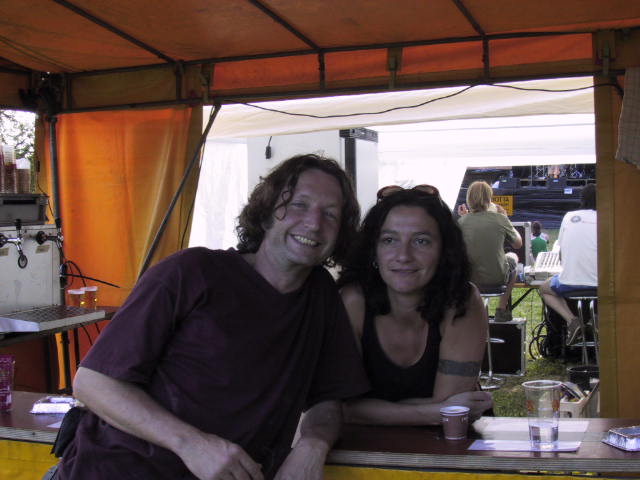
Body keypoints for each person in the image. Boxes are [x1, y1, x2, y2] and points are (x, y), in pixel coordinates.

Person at [51, 154, 370, 480]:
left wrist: (313, 445)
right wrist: (192, 444)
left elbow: (329, 399)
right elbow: (92, 383)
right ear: (266, 214)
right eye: (299, 205)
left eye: (330, 214)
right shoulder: (190, 272)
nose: (314, 223)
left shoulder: (320, 294)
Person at [337, 185, 493, 426]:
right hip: (367, 444)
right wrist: (437, 411)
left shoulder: (462, 300)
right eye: (389, 240)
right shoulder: (352, 301)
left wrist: (368, 409)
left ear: (444, 251)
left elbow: (453, 412)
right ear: (373, 251)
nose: (403, 255)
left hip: (452, 441)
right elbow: (341, 408)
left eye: (421, 241)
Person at [539, 183, 597, 345]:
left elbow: (561, 256)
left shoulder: (569, 217)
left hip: (570, 283)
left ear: (582, 200)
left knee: (544, 289)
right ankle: (598, 321)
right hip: (602, 284)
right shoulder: (609, 217)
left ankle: (572, 321)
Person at [457, 181, 522, 323]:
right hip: (497, 278)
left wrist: (465, 217)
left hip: (469, 279)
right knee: (513, 256)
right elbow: (518, 243)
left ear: (469, 199)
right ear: (489, 198)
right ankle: (501, 308)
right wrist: (506, 219)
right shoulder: (500, 219)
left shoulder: (461, 222)